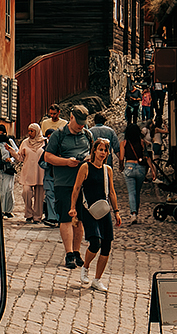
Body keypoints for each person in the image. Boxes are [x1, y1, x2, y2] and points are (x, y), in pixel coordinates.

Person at [42, 104, 93, 272]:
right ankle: (69, 253)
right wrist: (67, 162)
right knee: (66, 218)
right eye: (78, 123)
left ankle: (77, 251)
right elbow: (48, 157)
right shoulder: (59, 135)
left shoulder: (87, 135)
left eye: (83, 124)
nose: (81, 126)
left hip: (83, 183)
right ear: (71, 118)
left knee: (79, 219)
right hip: (64, 182)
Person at [69, 136, 125, 292]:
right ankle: (85, 267)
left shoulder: (108, 170)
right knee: (95, 243)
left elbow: (112, 192)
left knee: (106, 246)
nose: (103, 153)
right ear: (94, 150)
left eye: (105, 150)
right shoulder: (85, 167)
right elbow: (76, 188)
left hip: (104, 209)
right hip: (88, 209)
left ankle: (97, 280)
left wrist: (117, 212)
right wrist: (73, 207)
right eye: (100, 149)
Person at [119, 125, 151, 216]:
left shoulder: (123, 143)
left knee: (131, 192)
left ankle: (133, 213)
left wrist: (121, 167)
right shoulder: (141, 142)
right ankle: (136, 210)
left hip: (129, 167)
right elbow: (147, 156)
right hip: (140, 168)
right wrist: (153, 170)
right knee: (137, 192)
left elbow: (121, 158)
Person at [18, 123, 46, 222]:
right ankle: (28, 213)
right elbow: (20, 157)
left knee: (39, 196)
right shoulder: (25, 142)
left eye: (32, 131)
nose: (29, 133)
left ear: (37, 131)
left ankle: (37, 216)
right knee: (26, 192)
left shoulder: (44, 142)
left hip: (40, 172)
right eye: (29, 131)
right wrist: (12, 152)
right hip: (28, 171)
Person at [0, 122, 18, 218]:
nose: (0, 135)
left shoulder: (9, 141)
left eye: (2, 133)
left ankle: (8, 210)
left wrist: (11, 159)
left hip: (8, 168)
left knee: (8, 189)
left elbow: (16, 153)